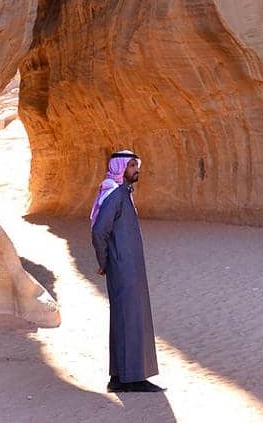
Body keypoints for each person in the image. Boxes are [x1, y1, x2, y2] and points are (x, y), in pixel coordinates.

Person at [90, 150, 161, 393]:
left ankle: (119, 377)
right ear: (120, 168)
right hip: (123, 268)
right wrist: (104, 261)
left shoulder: (120, 193)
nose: (135, 169)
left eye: (135, 165)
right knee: (130, 318)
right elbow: (99, 231)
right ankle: (133, 378)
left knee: (125, 318)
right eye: (131, 165)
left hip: (127, 267)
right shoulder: (116, 194)